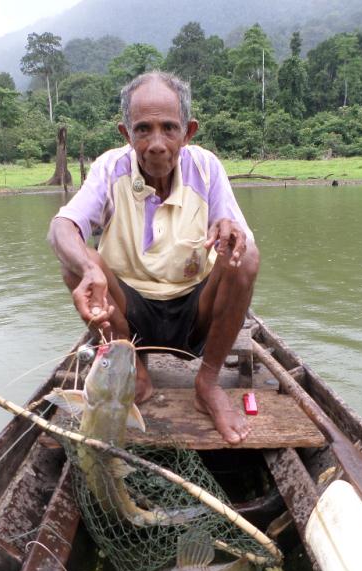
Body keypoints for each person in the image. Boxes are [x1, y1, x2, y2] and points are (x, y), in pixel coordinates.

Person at [47, 71, 259, 444]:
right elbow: (61, 228)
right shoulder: (109, 168)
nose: (157, 143)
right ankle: (135, 373)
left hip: (196, 312)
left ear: (188, 132)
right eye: (143, 129)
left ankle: (207, 383)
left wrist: (230, 232)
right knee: (79, 259)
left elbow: (237, 235)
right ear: (125, 134)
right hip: (129, 315)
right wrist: (86, 270)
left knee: (246, 258)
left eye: (169, 128)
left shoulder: (206, 168)